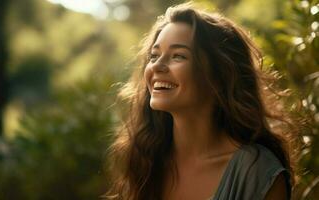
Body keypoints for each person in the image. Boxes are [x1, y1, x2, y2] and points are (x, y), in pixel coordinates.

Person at [104, 2, 303, 200]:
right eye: (154, 56)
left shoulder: (256, 172)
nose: (157, 67)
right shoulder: (146, 161)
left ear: (219, 75)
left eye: (178, 56)